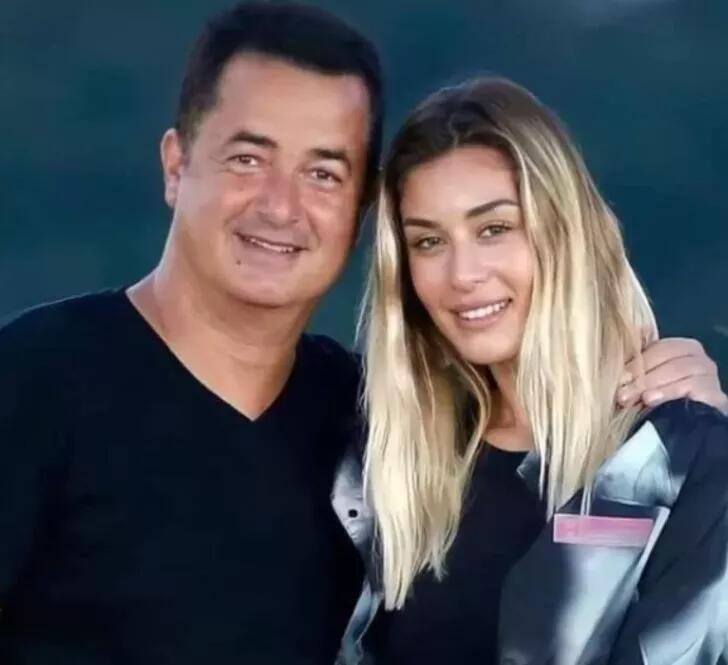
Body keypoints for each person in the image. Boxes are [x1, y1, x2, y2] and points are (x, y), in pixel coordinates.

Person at [0, 3, 724, 664]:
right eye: (248, 159)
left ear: (359, 209)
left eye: (323, 173)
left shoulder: (366, 425)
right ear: (175, 165)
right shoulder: (36, 379)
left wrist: (691, 430)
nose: (281, 206)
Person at [340, 77, 728, 664]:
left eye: (494, 229)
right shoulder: (387, 468)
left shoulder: (680, 463)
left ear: (566, 231)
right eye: (428, 242)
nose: (462, 274)